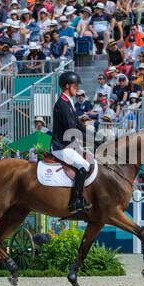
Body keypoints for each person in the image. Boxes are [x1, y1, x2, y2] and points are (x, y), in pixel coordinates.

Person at [51, 71, 91, 216]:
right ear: (67, 86)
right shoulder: (62, 104)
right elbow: (71, 128)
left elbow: (77, 125)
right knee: (84, 165)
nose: (77, 88)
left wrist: (96, 138)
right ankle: (75, 201)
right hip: (61, 146)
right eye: (75, 85)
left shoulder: (68, 102)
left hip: (69, 145)